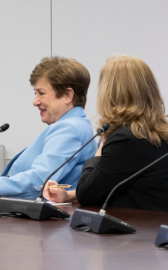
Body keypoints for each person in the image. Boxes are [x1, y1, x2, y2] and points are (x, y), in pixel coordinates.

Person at [0, 56, 97, 197]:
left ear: (67, 95)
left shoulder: (70, 128)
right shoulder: (75, 125)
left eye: (41, 93)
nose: (35, 101)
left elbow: (40, 178)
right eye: (35, 93)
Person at [43, 55, 168, 212]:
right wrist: (68, 196)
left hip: (133, 231)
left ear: (110, 93)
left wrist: (103, 142)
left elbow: (87, 193)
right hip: (154, 228)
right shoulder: (157, 133)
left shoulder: (125, 139)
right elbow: (113, 184)